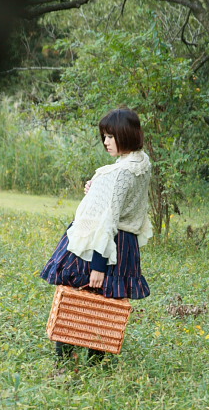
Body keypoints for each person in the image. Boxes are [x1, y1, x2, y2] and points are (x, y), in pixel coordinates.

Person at [41, 107, 152, 360]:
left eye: (111, 136)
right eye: (105, 136)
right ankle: (95, 354)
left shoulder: (120, 173)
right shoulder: (142, 162)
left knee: (77, 292)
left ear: (125, 134)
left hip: (101, 244)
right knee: (107, 300)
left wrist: (99, 265)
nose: (106, 142)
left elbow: (108, 220)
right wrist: (97, 187)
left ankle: (67, 352)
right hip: (125, 244)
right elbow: (122, 197)